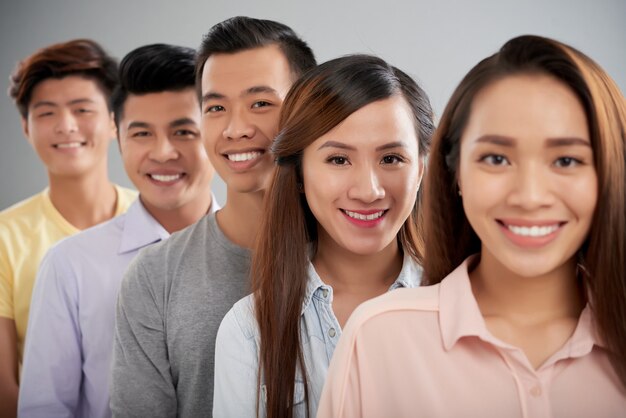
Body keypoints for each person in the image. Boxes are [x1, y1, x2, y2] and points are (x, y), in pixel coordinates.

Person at [317, 35, 626, 417]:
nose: (529, 197)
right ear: (456, 172)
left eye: (565, 161)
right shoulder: (378, 338)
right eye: (496, 158)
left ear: (610, 173)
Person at [110, 17, 316, 418]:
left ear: (307, 110)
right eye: (216, 107)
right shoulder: (155, 276)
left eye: (260, 103)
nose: (235, 129)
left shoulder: (356, 255)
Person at [213, 54, 434, 418]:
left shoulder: (465, 309)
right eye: (338, 160)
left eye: (391, 158)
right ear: (299, 173)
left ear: (421, 168)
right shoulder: (249, 330)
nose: (368, 190)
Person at [17, 43, 216, 418]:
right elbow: (44, 408)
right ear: (117, 134)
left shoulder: (260, 253)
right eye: (141, 134)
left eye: (184, 131)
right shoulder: (69, 264)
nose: (162, 152)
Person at [0, 39, 136, 417]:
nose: (66, 126)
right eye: (46, 113)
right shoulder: (4, 240)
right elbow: (5, 392)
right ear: (26, 128)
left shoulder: (156, 221)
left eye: (82, 109)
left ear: (114, 122)